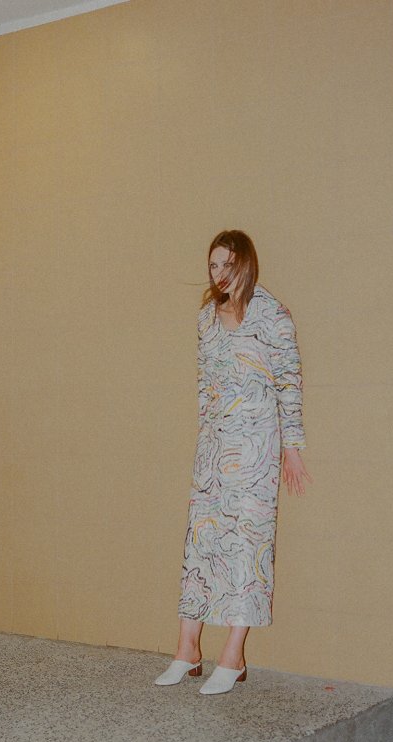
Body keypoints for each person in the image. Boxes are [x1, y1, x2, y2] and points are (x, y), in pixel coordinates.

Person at [155, 230, 312, 695]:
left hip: (257, 448)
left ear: (245, 264)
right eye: (213, 265)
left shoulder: (272, 314)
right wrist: (204, 441)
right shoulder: (206, 318)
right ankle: (187, 650)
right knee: (200, 545)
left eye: (227, 264)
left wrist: (292, 448)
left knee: (247, 546)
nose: (219, 274)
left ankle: (233, 654)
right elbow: (205, 384)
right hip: (213, 447)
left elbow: (289, 383)